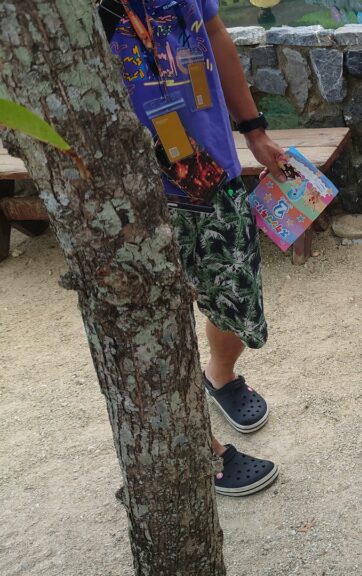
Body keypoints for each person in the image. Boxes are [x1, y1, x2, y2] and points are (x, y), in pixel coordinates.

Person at [97, 0, 283, 496]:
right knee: (149, 331)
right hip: (130, 196)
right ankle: (194, 449)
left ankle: (218, 375)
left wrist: (254, 129)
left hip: (211, 172)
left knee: (237, 301)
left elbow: (215, 32)